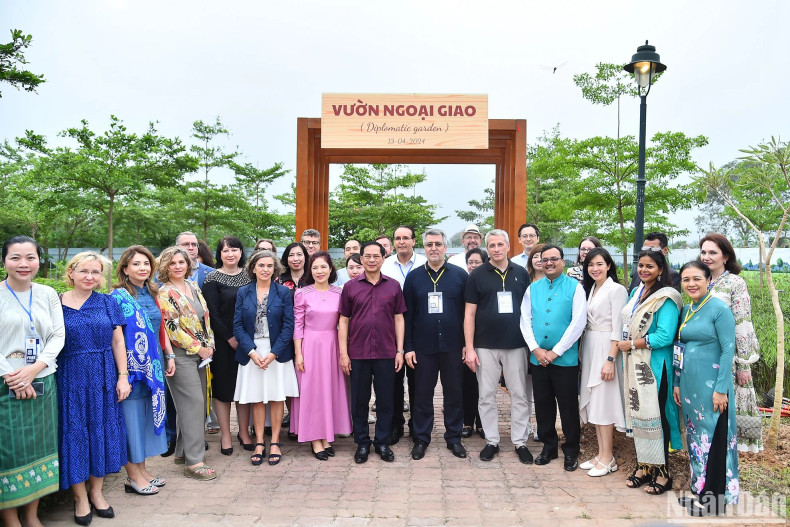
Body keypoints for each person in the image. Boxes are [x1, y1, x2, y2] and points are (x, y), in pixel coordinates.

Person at [59, 251, 130, 524]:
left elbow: (118, 342)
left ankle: (97, 492)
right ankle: (80, 497)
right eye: (84, 271)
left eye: (95, 272)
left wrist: (122, 376)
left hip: (103, 376)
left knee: (101, 431)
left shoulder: (107, 302)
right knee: (75, 433)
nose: (89, 276)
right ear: (71, 273)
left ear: (101, 276)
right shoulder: (56, 303)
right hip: (70, 377)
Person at [0, 236, 65, 527]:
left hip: (43, 381)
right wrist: (13, 376)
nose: (23, 264)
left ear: (39, 260)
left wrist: (34, 370)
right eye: (15, 257)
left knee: (40, 448)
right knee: (9, 451)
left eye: (30, 257)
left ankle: (31, 515)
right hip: (5, 383)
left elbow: (58, 336)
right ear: (4, 261)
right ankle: (10, 518)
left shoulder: (47, 293)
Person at [674, 261, 739, 516]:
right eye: (686, 279)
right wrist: (677, 383)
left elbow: (728, 350)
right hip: (690, 386)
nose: (691, 284)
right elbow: (679, 348)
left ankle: (715, 501)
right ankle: (700, 491)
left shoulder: (720, 309)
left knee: (714, 439)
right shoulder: (687, 309)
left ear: (708, 280)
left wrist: (721, 389)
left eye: (697, 279)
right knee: (696, 438)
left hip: (713, 388)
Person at [463, 229, 533, 463]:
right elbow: (469, 314)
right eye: (492, 245)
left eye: (500, 244)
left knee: (519, 394)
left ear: (508, 246)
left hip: (516, 344)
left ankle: (520, 441)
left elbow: (529, 311)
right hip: (485, 345)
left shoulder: (521, 273)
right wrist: (470, 348)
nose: (496, 249)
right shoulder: (477, 275)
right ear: (487, 248)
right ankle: (492, 441)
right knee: (486, 395)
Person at [617, 249, 683, 496]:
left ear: (661, 269)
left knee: (658, 418)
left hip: (655, 366)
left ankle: (663, 473)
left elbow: (665, 336)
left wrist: (633, 344)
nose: (644, 270)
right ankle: (644, 466)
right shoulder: (636, 292)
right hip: (634, 362)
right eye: (641, 266)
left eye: (650, 266)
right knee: (639, 416)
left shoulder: (667, 297)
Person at [111, 246, 175, 496]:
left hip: (153, 366)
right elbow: (116, 337)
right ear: (125, 269)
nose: (143, 268)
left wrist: (168, 355)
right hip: (131, 369)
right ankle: (133, 477)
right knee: (131, 421)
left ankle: (142, 470)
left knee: (145, 418)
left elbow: (160, 329)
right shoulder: (117, 297)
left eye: (146, 263)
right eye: (136, 264)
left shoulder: (152, 292)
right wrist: (122, 374)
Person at [520, 245, 587, 471]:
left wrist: (556, 351)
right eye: (545, 259)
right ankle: (549, 447)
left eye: (554, 259)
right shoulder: (532, 289)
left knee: (568, 407)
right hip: (538, 359)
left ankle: (571, 450)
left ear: (562, 262)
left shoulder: (575, 288)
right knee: (543, 406)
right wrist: (535, 349)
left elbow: (578, 323)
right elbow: (525, 320)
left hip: (565, 360)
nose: (549, 263)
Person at [404, 229, 468, 460]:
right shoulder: (414, 277)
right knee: (422, 395)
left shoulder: (460, 276)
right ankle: (421, 438)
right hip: (423, 347)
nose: (434, 248)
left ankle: (454, 438)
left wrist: (467, 344)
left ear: (445, 247)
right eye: (429, 244)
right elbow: (407, 315)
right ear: (424, 248)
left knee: (454, 394)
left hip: (454, 346)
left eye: (438, 244)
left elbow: (468, 313)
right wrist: (408, 347)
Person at [339, 241, 406, 463]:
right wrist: (344, 353)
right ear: (361, 258)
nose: (371, 260)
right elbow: (344, 320)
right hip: (357, 353)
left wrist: (399, 350)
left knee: (386, 400)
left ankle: (382, 442)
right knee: (359, 400)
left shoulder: (393, 286)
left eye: (376, 256)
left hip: (386, 352)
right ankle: (362, 443)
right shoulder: (350, 287)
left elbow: (399, 318)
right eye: (367, 256)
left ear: (383, 258)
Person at [157, 247, 217, 481]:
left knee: (195, 406)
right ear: (165, 266)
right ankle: (194, 462)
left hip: (201, 354)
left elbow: (204, 319)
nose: (178, 266)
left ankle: (183, 452)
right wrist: (198, 348)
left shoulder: (192, 286)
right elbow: (171, 329)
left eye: (181, 262)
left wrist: (209, 345)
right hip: (180, 355)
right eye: (172, 263)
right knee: (193, 404)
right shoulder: (164, 293)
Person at [233, 250, 298, 466]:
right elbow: (238, 325)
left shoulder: (283, 292)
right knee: (257, 398)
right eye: (261, 265)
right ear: (253, 268)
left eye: (269, 266)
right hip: (251, 351)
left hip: (276, 352)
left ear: (275, 269)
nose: (265, 269)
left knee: (277, 396)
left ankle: (276, 442)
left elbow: (289, 325)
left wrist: (274, 352)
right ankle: (260, 442)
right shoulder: (243, 292)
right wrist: (252, 352)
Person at [700, 233, 763, 452]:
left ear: (725, 256)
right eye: (703, 252)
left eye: (713, 252)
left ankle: (726, 459)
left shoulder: (735, 283)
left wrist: (743, 364)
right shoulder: (700, 279)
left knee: (727, 408)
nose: (706, 257)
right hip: (704, 355)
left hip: (729, 357)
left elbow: (742, 322)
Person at [290, 252, 351, 459]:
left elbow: (344, 323)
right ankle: (315, 439)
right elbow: (297, 325)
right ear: (310, 270)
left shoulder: (339, 293)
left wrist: (344, 352)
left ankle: (326, 436)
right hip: (310, 345)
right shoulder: (302, 293)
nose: (319, 271)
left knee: (329, 391)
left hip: (332, 345)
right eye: (315, 267)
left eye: (323, 267)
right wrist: (298, 353)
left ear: (331, 269)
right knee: (312, 392)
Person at [578, 248, 627, 477]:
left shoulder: (616, 290)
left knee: (604, 401)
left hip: (607, 347)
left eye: (599, 264)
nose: (594, 268)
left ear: (609, 265)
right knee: (595, 402)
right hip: (591, 345)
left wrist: (610, 359)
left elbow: (619, 327)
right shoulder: (592, 289)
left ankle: (608, 457)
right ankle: (601, 454)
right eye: (590, 265)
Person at [201, 237, 253, 456]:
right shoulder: (212, 278)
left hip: (248, 341)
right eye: (225, 250)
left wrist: (245, 339)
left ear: (241, 252)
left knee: (244, 388)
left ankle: (244, 432)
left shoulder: (250, 276)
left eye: (234, 249)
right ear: (219, 254)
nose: (230, 254)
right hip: (222, 342)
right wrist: (230, 337)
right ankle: (225, 435)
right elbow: (211, 313)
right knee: (223, 389)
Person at [381, 226, 427, 443]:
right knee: (393, 381)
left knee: (418, 381)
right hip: (391, 328)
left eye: (406, 238)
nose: (401, 242)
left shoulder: (424, 264)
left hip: (419, 328)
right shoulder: (386, 265)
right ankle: (395, 424)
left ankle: (417, 426)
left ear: (414, 241)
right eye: (398, 238)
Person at [461, 248, 487, 438]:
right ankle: (467, 422)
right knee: (467, 383)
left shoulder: (488, 282)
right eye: (470, 262)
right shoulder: (463, 282)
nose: (473, 265)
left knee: (484, 385)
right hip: (465, 341)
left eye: (477, 262)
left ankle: (482, 423)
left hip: (485, 340)